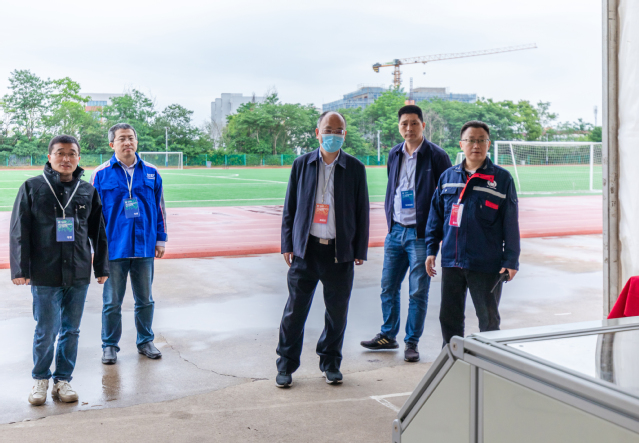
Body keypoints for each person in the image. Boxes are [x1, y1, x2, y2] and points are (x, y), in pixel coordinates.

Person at [10, 135, 109, 405]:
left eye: (72, 153)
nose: (66, 158)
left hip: (78, 272)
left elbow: (98, 233)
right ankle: (40, 379)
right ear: (49, 157)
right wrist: (20, 269)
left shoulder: (87, 191)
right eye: (60, 153)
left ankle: (63, 380)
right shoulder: (33, 187)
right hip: (45, 272)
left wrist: (101, 266)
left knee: (71, 330)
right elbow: (20, 230)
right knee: (46, 330)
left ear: (79, 158)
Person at [276, 111, 369, 388]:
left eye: (338, 131)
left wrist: (359, 249)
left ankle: (330, 363)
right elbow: (290, 207)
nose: (333, 135)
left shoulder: (355, 168)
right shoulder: (302, 164)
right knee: (294, 312)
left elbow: (362, 211)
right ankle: (286, 364)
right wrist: (288, 243)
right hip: (306, 251)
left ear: (344, 135)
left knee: (337, 313)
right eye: (328, 130)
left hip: (339, 254)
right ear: (318, 133)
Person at [361, 105, 452, 362]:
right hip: (396, 232)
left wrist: (436, 236)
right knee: (388, 287)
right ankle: (387, 335)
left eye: (414, 123)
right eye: (404, 124)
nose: (409, 128)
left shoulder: (437, 156)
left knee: (417, 292)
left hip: (421, 236)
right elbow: (394, 187)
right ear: (399, 126)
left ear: (423, 125)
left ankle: (412, 342)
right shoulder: (394, 154)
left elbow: (446, 196)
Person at [425, 120, 520, 344]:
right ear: (461, 144)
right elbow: (435, 217)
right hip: (452, 260)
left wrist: (511, 260)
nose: (475, 145)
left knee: (488, 319)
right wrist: (431, 250)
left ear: (488, 144)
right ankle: (451, 359)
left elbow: (510, 222)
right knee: (449, 318)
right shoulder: (447, 177)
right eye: (470, 140)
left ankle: (490, 359)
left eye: (481, 140)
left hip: (486, 263)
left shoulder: (502, 179)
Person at [91, 123, 167, 364]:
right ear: (111, 144)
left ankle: (145, 341)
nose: (127, 142)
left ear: (136, 141)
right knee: (112, 302)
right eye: (122, 138)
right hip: (114, 248)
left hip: (144, 247)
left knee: (145, 300)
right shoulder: (101, 174)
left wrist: (160, 239)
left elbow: (160, 208)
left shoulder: (152, 172)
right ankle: (109, 345)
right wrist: (96, 248)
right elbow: (93, 216)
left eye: (131, 138)